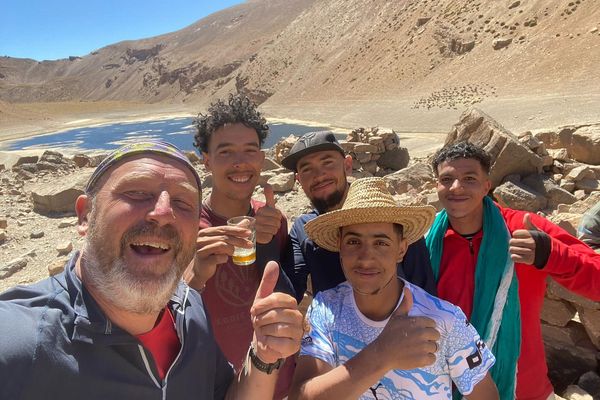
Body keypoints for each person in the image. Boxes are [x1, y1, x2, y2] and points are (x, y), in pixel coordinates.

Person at [0, 141, 304, 399]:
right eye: (136, 193)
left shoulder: (190, 309)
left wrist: (262, 357)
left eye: (183, 203)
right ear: (85, 215)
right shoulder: (21, 343)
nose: (163, 213)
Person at [290, 177, 499, 399]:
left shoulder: (444, 319)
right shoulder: (326, 308)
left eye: (381, 243)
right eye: (353, 242)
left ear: (401, 250)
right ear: (340, 247)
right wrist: (382, 354)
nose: (366, 258)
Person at [427, 141, 600, 400]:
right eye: (447, 179)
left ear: (487, 186)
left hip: (523, 388)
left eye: (469, 178)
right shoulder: (428, 244)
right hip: (446, 388)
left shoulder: (524, 229)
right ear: (437, 185)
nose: (456, 187)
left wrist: (550, 254)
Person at [183, 94, 295, 399]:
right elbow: (155, 317)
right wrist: (194, 278)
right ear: (206, 160)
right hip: (217, 388)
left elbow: (289, 293)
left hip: (280, 381)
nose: (240, 163)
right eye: (226, 152)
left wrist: (269, 244)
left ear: (261, 158)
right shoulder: (183, 230)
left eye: (250, 150)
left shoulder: (275, 222)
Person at [281, 130, 436, 304]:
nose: (319, 175)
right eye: (307, 169)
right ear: (299, 180)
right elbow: (288, 291)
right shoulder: (304, 228)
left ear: (347, 165)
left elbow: (426, 297)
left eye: (327, 163)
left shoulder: (394, 221)